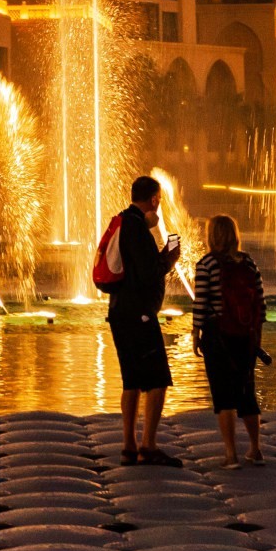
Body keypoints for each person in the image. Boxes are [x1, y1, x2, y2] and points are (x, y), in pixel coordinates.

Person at [104, 175, 183, 466]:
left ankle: (128, 446)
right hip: (139, 314)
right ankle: (147, 445)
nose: (159, 206)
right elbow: (149, 273)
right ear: (153, 200)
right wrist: (168, 260)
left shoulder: (124, 221)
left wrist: (159, 256)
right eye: (159, 200)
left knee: (132, 381)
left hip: (120, 311)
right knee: (158, 379)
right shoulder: (137, 228)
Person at [191, 214, 266, 465]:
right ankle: (255, 449)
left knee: (223, 395)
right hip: (245, 336)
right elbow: (261, 303)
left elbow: (200, 303)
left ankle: (231, 453)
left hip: (217, 336)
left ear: (212, 236)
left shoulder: (206, 264)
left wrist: (195, 333)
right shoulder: (248, 263)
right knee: (247, 392)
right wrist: (256, 336)